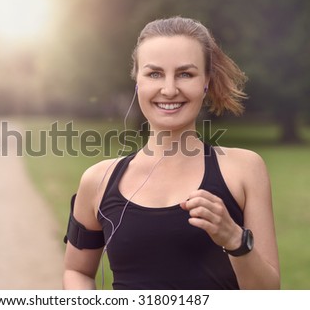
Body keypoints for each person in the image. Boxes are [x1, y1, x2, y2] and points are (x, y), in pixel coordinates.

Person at [63, 16, 280, 289]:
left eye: (185, 74)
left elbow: (269, 293)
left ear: (206, 82)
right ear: (137, 81)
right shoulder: (98, 181)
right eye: (154, 73)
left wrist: (235, 240)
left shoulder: (245, 170)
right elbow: (77, 271)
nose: (169, 89)